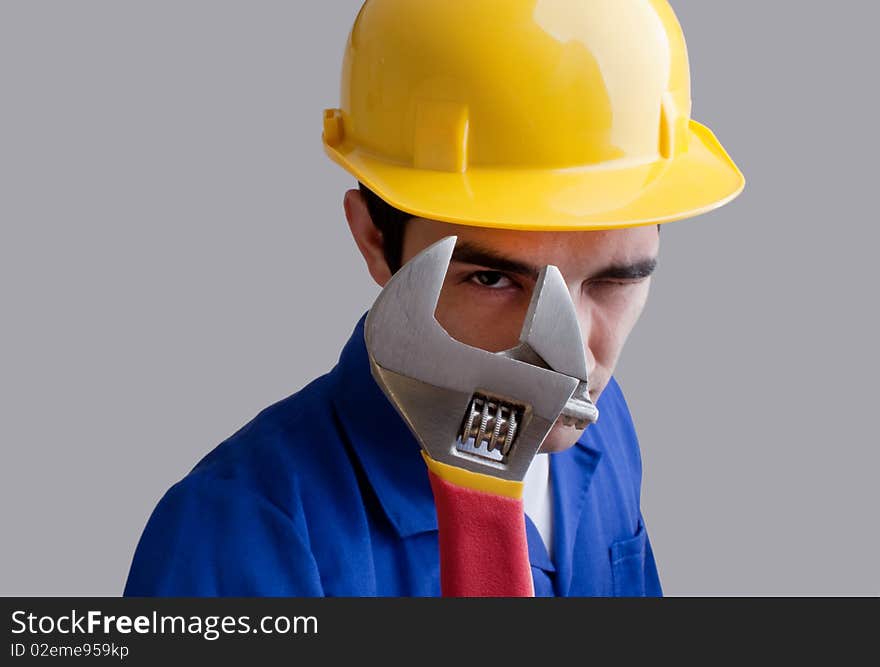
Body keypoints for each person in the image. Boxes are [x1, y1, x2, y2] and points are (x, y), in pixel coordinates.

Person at [124, 0, 743, 597]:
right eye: (493, 279)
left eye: (616, 280)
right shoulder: (236, 534)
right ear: (373, 237)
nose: (573, 360)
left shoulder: (605, 437)